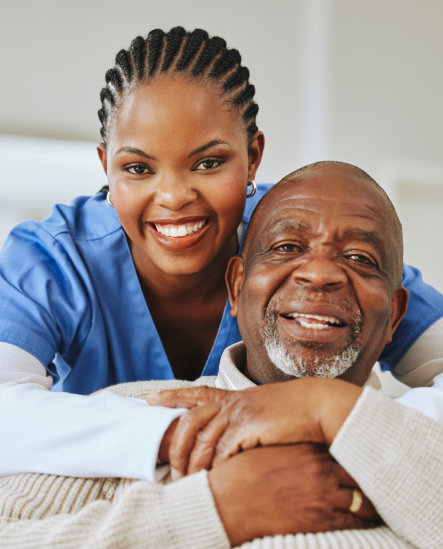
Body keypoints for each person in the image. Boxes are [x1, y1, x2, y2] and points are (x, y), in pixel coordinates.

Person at [0, 27, 442, 482]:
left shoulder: (309, 247)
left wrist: (321, 410)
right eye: (137, 168)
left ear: (252, 157)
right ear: (106, 168)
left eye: (208, 163)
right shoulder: (53, 260)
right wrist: (194, 431)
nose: (173, 196)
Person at [0, 162, 441, 549]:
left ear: (398, 314)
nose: (320, 273)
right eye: (287, 246)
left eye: (359, 256)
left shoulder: (423, 436)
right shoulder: (135, 416)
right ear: (235, 287)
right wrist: (209, 511)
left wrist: (328, 410)